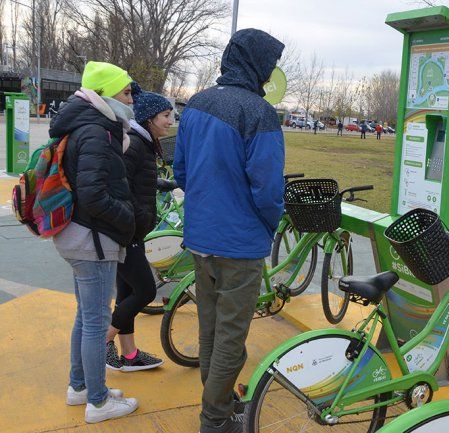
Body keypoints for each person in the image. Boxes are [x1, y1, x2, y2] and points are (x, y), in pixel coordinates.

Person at [173, 29, 285, 433]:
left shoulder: (198, 104)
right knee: (230, 338)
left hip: (201, 240)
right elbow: (269, 188)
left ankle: (220, 404)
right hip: (239, 245)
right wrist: (270, 223)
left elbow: (180, 170)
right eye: (269, 64)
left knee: (211, 330)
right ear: (255, 63)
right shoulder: (259, 112)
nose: (271, 73)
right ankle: (215, 420)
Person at [51, 61, 138, 423]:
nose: (131, 99)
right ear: (105, 95)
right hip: (93, 240)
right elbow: (93, 194)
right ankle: (99, 402)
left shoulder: (87, 124)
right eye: (126, 92)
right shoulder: (97, 131)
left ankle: (80, 386)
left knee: (85, 317)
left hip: (79, 236)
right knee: (95, 321)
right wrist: (127, 218)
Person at [104, 83, 173, 372]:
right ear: (149, 118)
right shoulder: (134, 144)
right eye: (166, 115)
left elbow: (135, 182)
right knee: (144, 292)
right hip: (126, 232)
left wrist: (161, 183)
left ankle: (129, 355)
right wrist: (136, 220)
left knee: (126, 292)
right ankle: (102, 342)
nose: (171, 121)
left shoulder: (143, 143)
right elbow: (120, 188)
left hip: (131, 231)